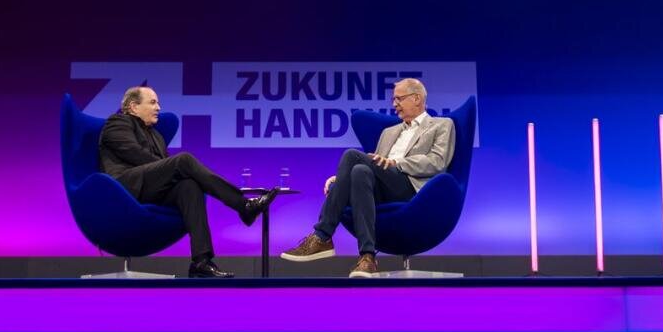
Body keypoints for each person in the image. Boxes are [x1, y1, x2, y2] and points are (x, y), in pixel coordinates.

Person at [279, 78, 455, 278]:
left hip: (411, 187)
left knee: (351, 154)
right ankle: (367, 257)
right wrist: (341, 179)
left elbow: (438, 161)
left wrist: (397, 163)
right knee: (359, 172)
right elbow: (371, 167)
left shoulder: (441, 124)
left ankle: (322, 235)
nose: (394, 104)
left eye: (399, 99)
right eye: (393, 99)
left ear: (417, 98)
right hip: (383, 187)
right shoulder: (389, 132)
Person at [99, 86, 279, 278]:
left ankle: (201, 261)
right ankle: (243, 205)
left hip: (149, 188)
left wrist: (171, 169)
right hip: (124, 189)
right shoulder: (117, 123)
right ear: (134, 107)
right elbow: (135, 155)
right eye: (152, 102)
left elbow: (161, 168)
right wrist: (171, 167)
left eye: (158, 103)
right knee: (183, 160)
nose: (158, 107)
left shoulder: (156, 135)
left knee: (189, 186)